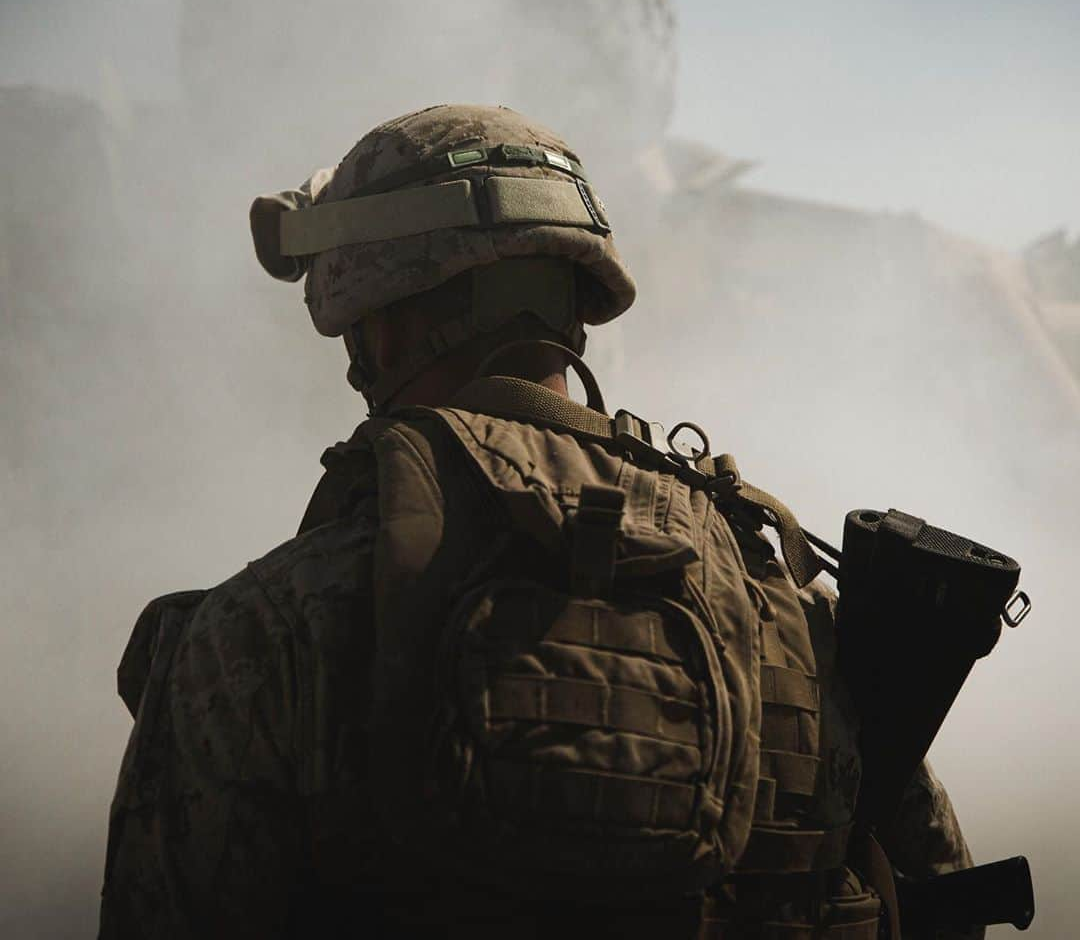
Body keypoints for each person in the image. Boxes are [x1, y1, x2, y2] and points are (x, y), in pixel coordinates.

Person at [99, 105, 978, 939]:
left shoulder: (268, 626)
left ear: (385, 328)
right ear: (573, 301)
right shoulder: (791, 607)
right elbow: (934, 890)